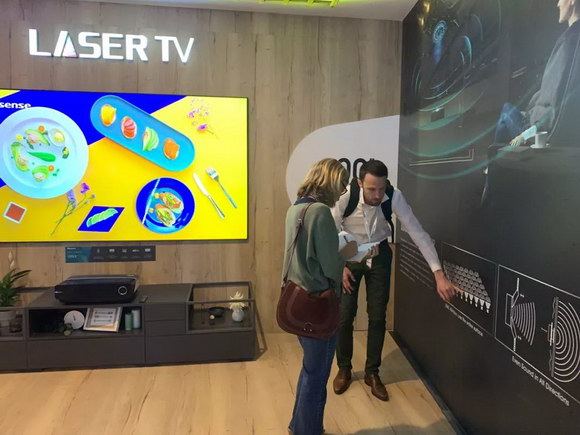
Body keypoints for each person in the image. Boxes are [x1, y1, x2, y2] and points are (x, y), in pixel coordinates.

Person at [330, 159, 458, 401]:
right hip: (349, 254)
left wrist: (438, 274)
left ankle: (372, 372)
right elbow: (330, 228)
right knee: (345, 315)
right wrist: (339, 265)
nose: (377, 195)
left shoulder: (394, 196)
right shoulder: (347, 195)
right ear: (360, 183)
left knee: (378, 316)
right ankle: (344, 368)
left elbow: (417, 232)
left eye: (381, 188)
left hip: (379, 255)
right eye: (371, 189)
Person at [283, 158, 357, 435]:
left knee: (309, 371)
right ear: (330, 182)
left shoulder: (296, 209)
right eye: (341, 185)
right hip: (319, 304)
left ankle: (298, 426)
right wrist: (351, 252)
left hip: (297, 299)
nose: (342, 192)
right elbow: (331, 266)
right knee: (317, 377)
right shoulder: (321, 213)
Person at [482, 0, 580, 203]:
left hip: (545, 131)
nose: (557, 5)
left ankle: (491, 181)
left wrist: (531, 122)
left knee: (506, 111)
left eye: (560, 0)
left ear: (571, 1)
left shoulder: (569, 40)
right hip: (559, 129)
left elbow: (552, 99)